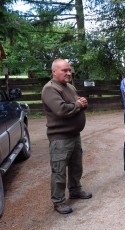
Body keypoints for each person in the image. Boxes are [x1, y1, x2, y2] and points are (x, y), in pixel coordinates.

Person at [42, 59, 92, 214]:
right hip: (60, 138)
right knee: (59, 170)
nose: (69, 73)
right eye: (64, 70)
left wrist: (82, 102)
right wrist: (79, 105)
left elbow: (76, 103)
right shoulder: (50, 89)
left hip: (74, 135)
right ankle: (58, 201)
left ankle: (75, 190)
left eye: (69, 70)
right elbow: (62, 110)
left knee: (76, 166)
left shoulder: (69, 86)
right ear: (54, 71)